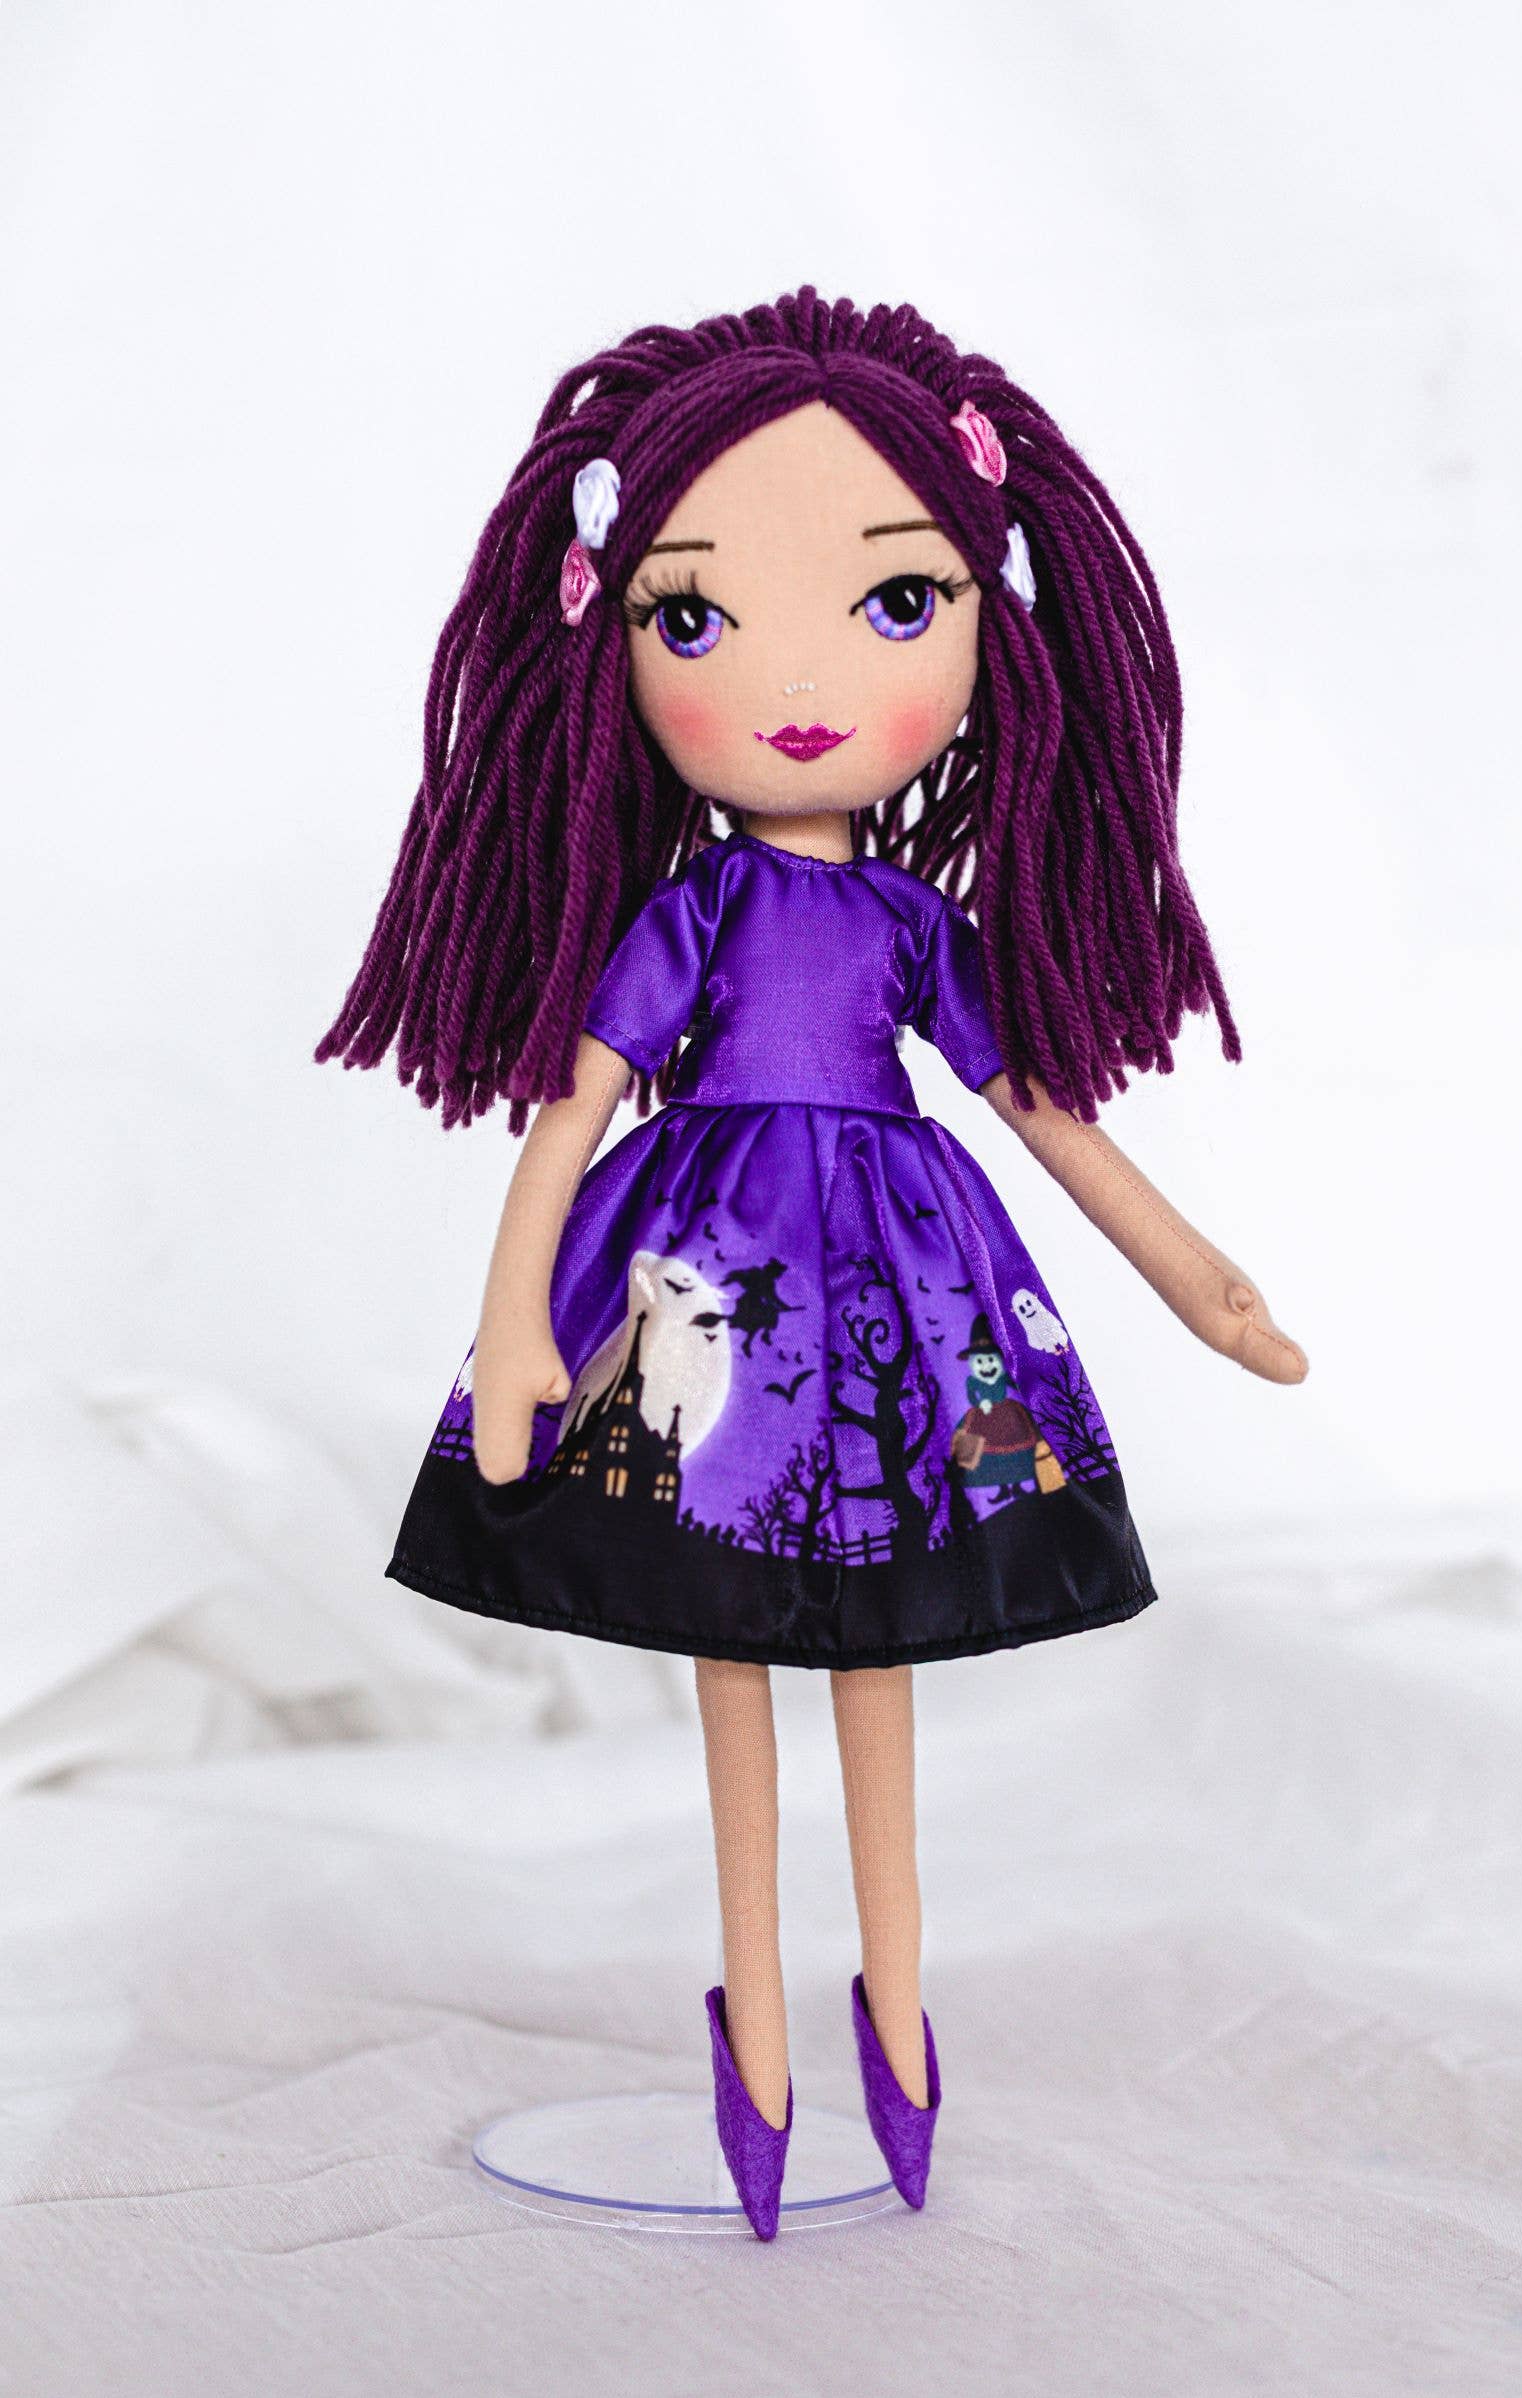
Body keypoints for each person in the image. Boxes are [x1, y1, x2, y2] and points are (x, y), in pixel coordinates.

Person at [318, 286, 1308, 2237]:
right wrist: (514, 1322)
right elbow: (567, 1111)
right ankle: (758, 2034)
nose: (791, 675)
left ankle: (896, 2009)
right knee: (733, 1650)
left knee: (878, 1660)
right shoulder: (687, 913)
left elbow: (1045, 1110)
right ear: (611, 629)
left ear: (989, 624)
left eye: (893, 602)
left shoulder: (914, 929)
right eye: (694, 616)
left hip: (901, 1279)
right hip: (706, 1284)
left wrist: (1198, 1278)